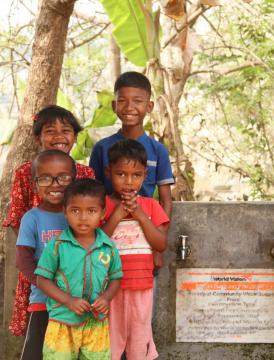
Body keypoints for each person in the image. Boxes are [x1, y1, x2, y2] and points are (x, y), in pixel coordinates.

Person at [5, 105, 95, 337]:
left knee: (76, 331)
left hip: (77, 268)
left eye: (66, 130)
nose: (58, 137)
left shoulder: (86, 173)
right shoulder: (25, 173)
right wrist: (37, 260)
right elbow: (17, 218)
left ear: (75, 136)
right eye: (49, 131)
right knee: (40, 330)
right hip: (39, 265)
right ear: (38, 137)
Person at [35, 179, 123, 359]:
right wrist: (68, 300)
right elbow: (42, 280)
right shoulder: (58, 245)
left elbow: (116, 277)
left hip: (96, 323)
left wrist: (106, 298)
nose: (83, 218)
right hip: (62, 321)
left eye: (91, 211)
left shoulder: (108, 246)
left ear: (102, 213)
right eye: (75, 210)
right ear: (65, 212)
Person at [101, 139, 169, 360]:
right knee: (109, 343)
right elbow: (96, 241)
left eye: (136, 175)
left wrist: (140, 214)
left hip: (141, 287)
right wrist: (117, 215)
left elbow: (160, 243)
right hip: (109, 289)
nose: (129, 182)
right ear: (108, 172)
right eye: (121, 174)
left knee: (139, 341)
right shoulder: (101, 205)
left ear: (145, 176)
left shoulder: (151, 206)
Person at [15, 150, 75, 359]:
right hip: (43, 302)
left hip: (76, 303)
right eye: (45, 178)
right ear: (35, 185)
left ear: (74, 180)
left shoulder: (80, 215)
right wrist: (44, 284)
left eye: (63, 177)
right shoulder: (32, 218)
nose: (55, 184)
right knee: (37, 353)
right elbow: (23, 260)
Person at [88, 71, 174, 217]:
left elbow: (165, 200)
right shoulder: (101, 148)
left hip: (145, 226)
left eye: (138, 101)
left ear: (149, 106)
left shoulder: (158, 150)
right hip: (109, 225)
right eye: (122, 101)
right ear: (114, 106)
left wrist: (160, 232)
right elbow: (93, 196)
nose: (129, 107)